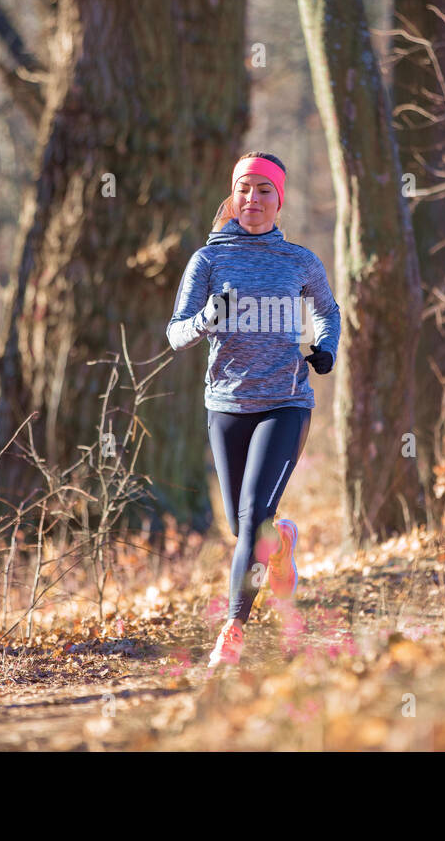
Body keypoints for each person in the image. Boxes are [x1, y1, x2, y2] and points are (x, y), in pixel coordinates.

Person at [165, 151, 340, 670]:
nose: (253, 199)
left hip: (285, 403)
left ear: (279, 200)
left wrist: (325, 348)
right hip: (226, 405)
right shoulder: (208, 261)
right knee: (249, 530)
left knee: (253, 515)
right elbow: (176, 333)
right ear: (233, 196)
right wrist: (205, 318)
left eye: (265, 190)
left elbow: (328, 312)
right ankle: (281, 541)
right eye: (245, 189)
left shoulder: (299, 261)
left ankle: (232, 631)